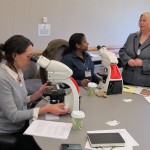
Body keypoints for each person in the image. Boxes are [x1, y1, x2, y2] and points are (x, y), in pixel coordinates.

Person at [0, 35, 69, 150]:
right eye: (28, 56)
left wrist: (36, 95)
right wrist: (46, 109)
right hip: (9, 131)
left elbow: (20, 101)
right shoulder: (2, 78)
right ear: (14, 55)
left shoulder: (17, 70)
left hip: (21, 124)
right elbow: (13, 115)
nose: (31, 60)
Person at [119, 12, 150, 87]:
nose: (141, 23)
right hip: (126, 79)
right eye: (140, 20)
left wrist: (143, 63)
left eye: (144, 20)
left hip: (145, 83)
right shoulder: (132, 36)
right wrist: (128, 60)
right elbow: (122, 51)